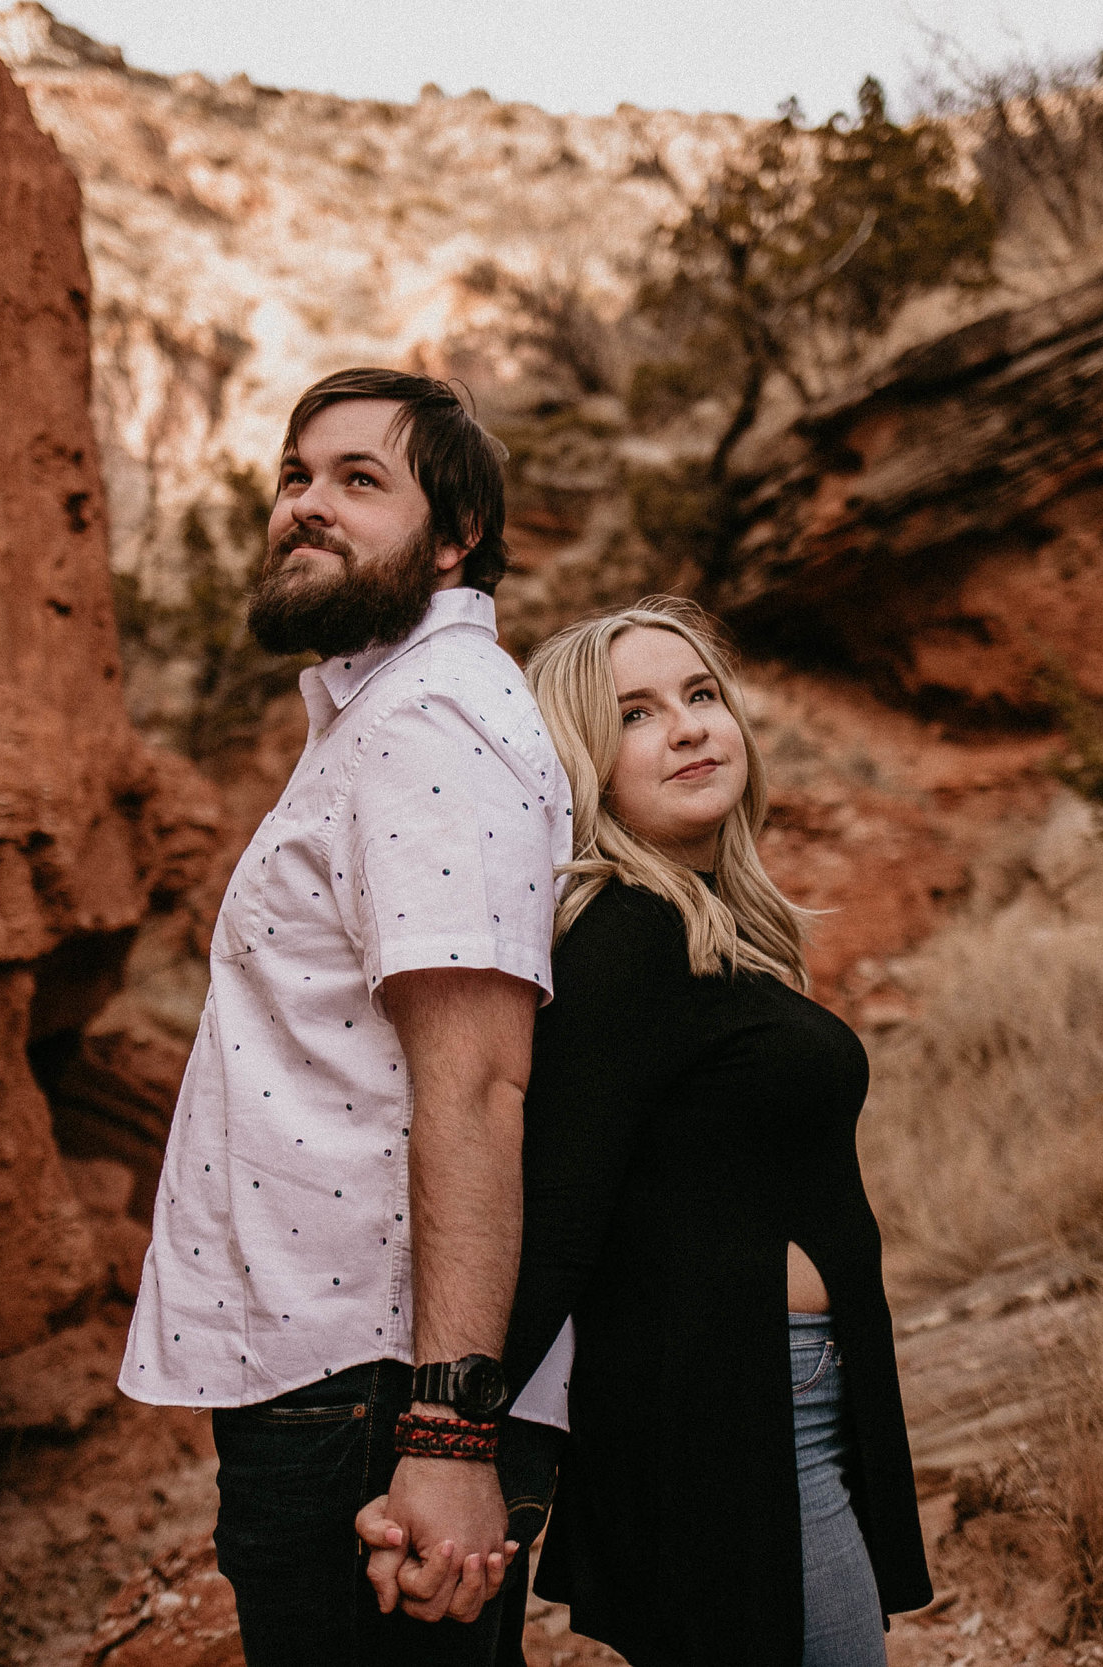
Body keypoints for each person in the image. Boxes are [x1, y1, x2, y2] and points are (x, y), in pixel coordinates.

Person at [363, 597, 932, 1665]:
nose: (687, 727)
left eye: (701, 695)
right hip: (726, 1416)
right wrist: (441, 1447)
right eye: (635, 713)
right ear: (582, 764)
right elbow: (559, 1213)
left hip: (779, 1398)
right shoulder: (620, 936)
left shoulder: (707, 931)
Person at [117, 368, 570, 1662]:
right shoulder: (376, 717)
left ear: (453, 533)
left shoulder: (433, 719)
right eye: (294, 477)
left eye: (358, 479)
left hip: (366, 1400)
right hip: (330, 1386)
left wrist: (446, 1435)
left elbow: (479, 1082)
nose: (305, 506)